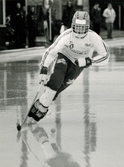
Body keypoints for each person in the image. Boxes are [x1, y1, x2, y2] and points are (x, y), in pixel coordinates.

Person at [28, 11, 110, 122]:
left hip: (79, 63)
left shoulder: (94, 37)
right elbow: (51, 51)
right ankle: (42, 108)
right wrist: (44, 68)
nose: (80, 30)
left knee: (59, 87)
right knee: (55, 81)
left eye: (83, 27)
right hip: (64, 56)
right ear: (72, 25)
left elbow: (105, 56)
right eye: (77, 27)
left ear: (88, 26)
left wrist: (89, 61)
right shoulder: (66, 35)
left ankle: (42, 101)